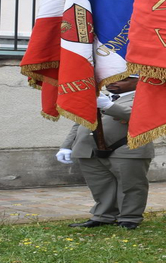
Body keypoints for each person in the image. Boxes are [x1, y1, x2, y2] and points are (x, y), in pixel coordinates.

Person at [56, 75, 154, 230]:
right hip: (88, 148)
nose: (112, 81)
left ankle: (129, 218)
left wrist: (109, 106)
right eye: (109, 78)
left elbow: (142, 117)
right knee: (100, 184)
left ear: (137, 80)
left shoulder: (147, 97)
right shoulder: (100, 97)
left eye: (122, 79)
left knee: (131, 185)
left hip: (127, 148)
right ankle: (103, 216)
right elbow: (79, 121)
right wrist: (67, 146)